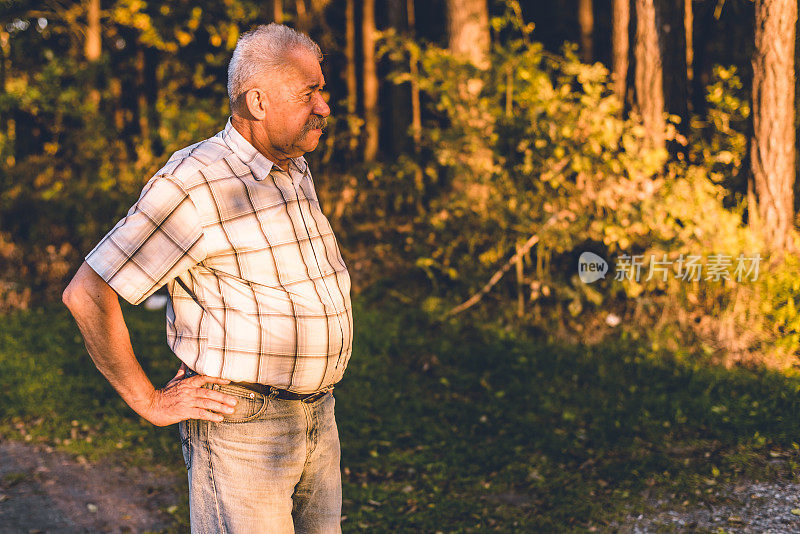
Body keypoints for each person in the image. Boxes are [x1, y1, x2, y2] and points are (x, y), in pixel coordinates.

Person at [62, 24, 352, 533]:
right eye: (309, 94)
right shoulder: (196, 181)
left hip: (316, 421)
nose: (324, 107)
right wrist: (148, 401)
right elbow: (88, 292)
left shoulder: (292, 165)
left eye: (320, 91)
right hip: (242, 432)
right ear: (257, 103)